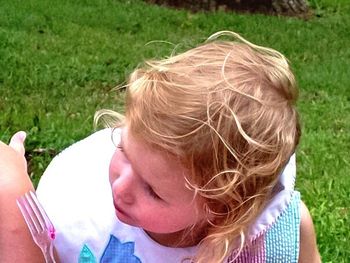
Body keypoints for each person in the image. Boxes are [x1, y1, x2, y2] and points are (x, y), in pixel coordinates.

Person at [0, 31, 320, 262]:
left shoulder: (279, 237)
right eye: (123, 150)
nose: (120, 187)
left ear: (223, 209)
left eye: (153, 191)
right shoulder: (82, 197)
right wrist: (18, 209)